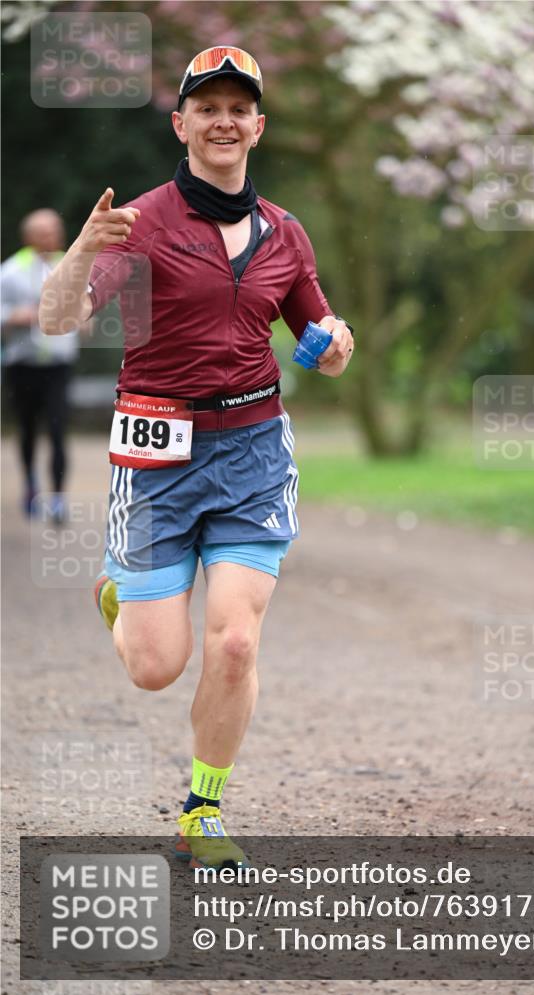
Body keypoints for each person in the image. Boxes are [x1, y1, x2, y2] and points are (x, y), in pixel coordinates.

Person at [39, 45, 354, 867]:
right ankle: (119, 594)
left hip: (252, 448)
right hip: (157, 454)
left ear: (257, 125)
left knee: (236, 643)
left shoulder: (286, 233)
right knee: (154, 668)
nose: (223, 120)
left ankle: (201, 809)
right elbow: (56, 319)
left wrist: (334, 345)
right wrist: (80, 249)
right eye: (205, 107)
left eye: (237, 107)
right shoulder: (137, 223)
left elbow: (322, 334)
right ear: (181, 124)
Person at [1, 209, 80, 523]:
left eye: (56, 229)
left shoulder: (71, 263)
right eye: (46, 230)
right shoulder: (10, 271)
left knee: (60, 431)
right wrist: (19, 316)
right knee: (29, 429)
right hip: (23, 365)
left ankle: (58, 497)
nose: (53, 235)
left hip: (59, 365)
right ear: (29, 236)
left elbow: (87, 303)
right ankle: (31, 485)